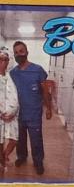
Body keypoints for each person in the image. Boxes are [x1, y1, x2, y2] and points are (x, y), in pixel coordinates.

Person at [10, 41, 52, 176]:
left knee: (36, 140)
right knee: (20, 139)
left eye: (21, 51)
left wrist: (48, 108)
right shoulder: (13, 73)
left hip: (34, 113)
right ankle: (21, 157)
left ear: (27, 52)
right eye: (16, 52)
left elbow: (45, 91)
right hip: (18, 115)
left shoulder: (37, 70)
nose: (18, 54)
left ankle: (38, 162)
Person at [0, 46, 19, 175]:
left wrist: (12, 113)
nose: (3, 62)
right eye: (0, 59)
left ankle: (4, 157)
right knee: (0, 141)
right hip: (0, 116)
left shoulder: (10, 76)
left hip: (12, 115)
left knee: (14, 139)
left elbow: (15, 96)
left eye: (6, 59)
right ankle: (2, 164)